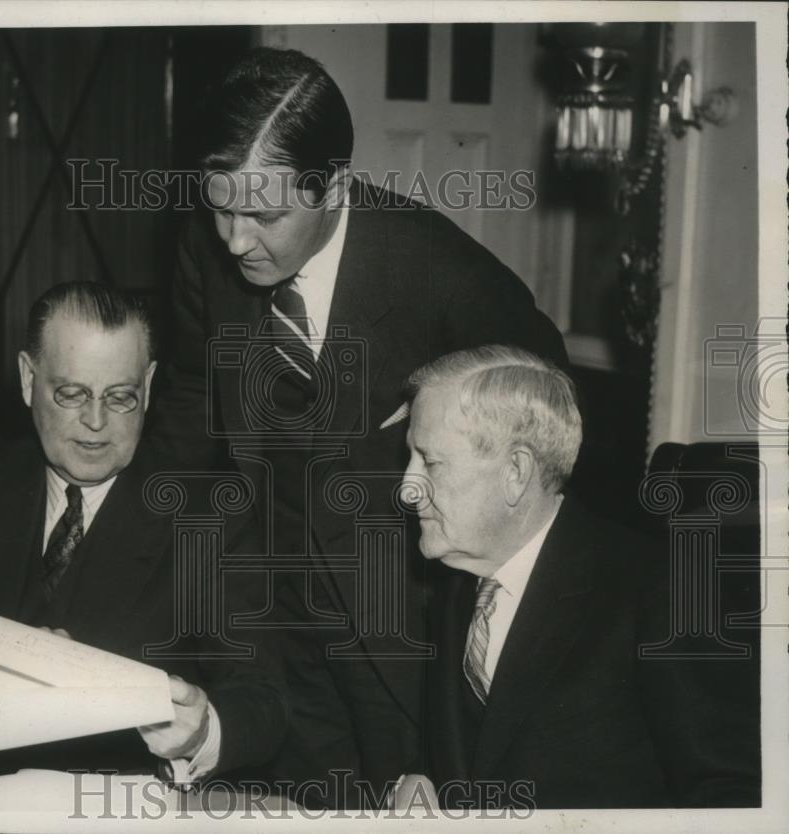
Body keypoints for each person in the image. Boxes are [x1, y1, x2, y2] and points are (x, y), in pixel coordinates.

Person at [150, 47, 567, 805]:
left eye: (266, 215)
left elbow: (551, 413)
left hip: (399, 639)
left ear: (335, 185)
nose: (236, 240)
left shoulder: (444, 277)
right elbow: (185, 411)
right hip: (267, 625)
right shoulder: (202, 255)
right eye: (220, 204)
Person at [0, 281, 287, 779]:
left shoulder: (208, 517)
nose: (95, 421)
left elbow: (263, 698)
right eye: (71, 393)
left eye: (121, 397)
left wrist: (204, 732)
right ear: (28, 378)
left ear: (150, 386)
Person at [396, 345, 760, 808]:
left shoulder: (660, 591)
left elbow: (735, 795)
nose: (407, 488)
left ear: (515, 472)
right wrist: (423, 779)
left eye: (430, 462)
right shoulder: (456, 582)